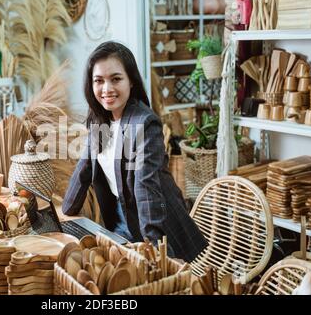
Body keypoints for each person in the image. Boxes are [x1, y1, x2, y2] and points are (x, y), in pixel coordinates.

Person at [62, 41, 207, 262]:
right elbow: (85, 167)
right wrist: (66, 213)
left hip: (158, 222)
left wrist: (155, 250)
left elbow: (145, 186)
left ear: (131, 81)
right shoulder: (100, 119)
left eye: (116, 79)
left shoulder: (144, 122)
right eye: (99, 81)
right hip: (121, 221)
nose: (107, 89)